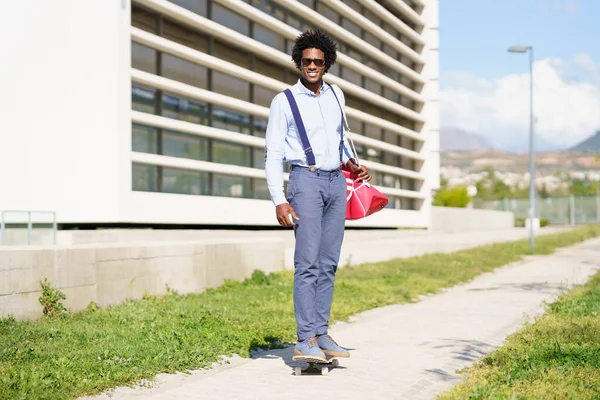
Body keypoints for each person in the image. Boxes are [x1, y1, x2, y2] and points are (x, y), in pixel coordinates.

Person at [264, 29, 371, 362]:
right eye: (307, 61)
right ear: (299, 62)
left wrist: (351, 163)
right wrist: (278, 199)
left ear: (327, 64)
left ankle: (322, 334)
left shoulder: (336, 95)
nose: (312, 66)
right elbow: (273, 152)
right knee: (307, 263)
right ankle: (305, 338)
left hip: (336, 182)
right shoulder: (284, 101)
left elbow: (338, 142)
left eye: (318, 61)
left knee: (328, 263)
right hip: (305, 183)